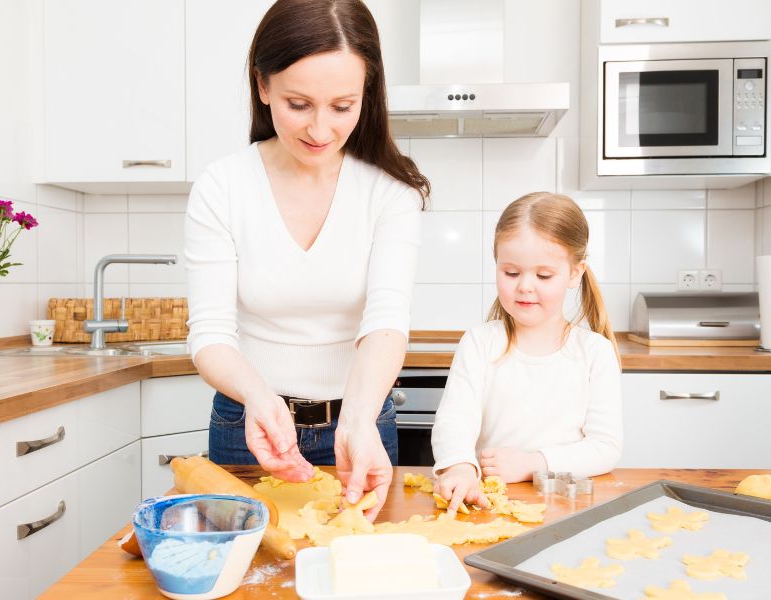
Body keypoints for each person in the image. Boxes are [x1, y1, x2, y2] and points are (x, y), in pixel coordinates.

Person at [184, 0, 429, 520]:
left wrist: (360, 419)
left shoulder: (390, 192)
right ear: (263, 86)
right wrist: (258, 397)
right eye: (299, 103)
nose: (320, 130)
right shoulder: (223, 187)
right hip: (249, 427)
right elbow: (209, 335)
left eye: (343, 106)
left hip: (361, 423)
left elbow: (386, 320)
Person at [431, 192, 622, 514]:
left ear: (575, 273)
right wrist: (460, 466)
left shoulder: (595, 352)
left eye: (544, 275)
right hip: (488, 505)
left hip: (566, 508)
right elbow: (455, 421)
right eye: (511, 273)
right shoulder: (479, 343)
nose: (525, 286)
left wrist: (534, 463)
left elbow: (606, 448)